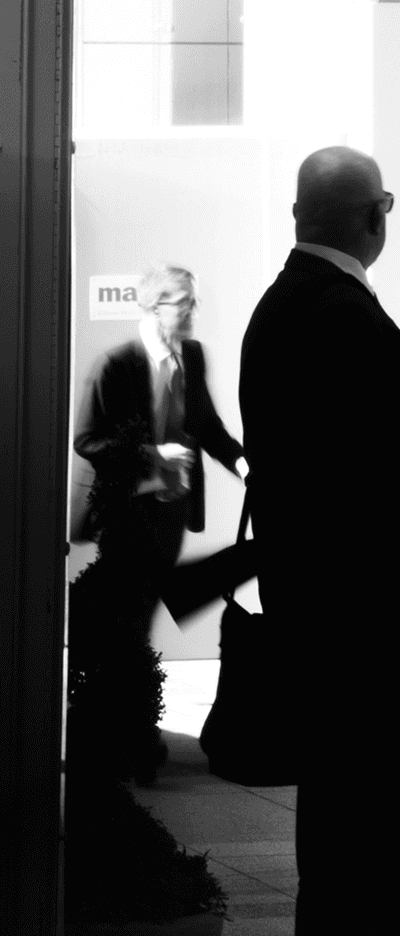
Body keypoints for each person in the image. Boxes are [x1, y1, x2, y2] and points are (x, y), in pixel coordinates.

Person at [240, 149, 400, 936]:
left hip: (309, 607)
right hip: (368, 620)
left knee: (331, 817)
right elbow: (392, 475)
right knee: (386, 807)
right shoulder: (345, 317)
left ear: (296, 216)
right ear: (377, 214)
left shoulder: (277, 309)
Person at [71, 264, 246, 784]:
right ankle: (132, 738)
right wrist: (152, 454)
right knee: (130, 620)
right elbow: (88, 440)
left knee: (141, 617)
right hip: (125, 511)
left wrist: (241, 463)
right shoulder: (115, 364)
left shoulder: (191, 356)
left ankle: (131, 734)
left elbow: (206, 425)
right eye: (182, 302)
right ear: (152, 307)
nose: (192, 311)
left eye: (193, 301)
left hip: (171, 511)